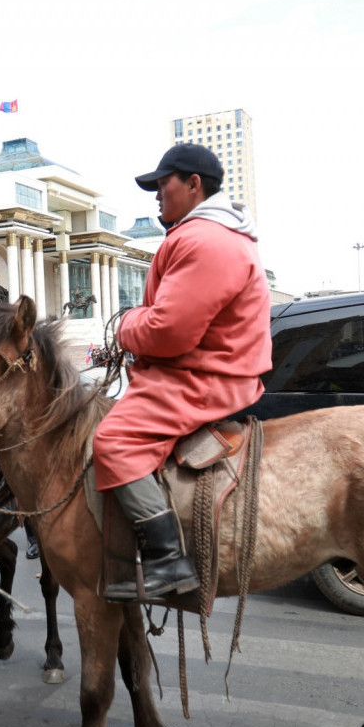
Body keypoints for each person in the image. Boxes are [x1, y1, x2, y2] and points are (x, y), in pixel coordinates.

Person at [94, 143, 271, 602]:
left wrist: (128, 324)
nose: (156, 195)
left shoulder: (204, 239)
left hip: (202, 376)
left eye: (162, 184)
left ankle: (167, 560)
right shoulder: (208, 235)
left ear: (194, 185)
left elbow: (168, 331)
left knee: (113, 440)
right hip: (207, 369)